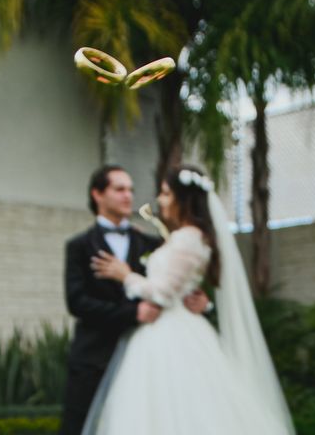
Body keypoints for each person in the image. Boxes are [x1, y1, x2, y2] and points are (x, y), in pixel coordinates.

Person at [83, 165, 295, 435]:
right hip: (164, 330)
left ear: (184, 199)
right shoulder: (183, 239)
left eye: (166, 193)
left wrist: (125, 276)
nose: (160, 200)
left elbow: (162, 292)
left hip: (170, 336)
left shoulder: (188, 239)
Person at [59, 165, 211, 435]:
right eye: (119, 189)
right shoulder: (79, 246)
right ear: (97, 194)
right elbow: (77, 302)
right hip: (95, 357)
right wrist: (132, 313)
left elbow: (178, 284)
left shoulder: (155, 244)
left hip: (151, 357)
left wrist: (204, 303)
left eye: (130, 189)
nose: (128, 196)